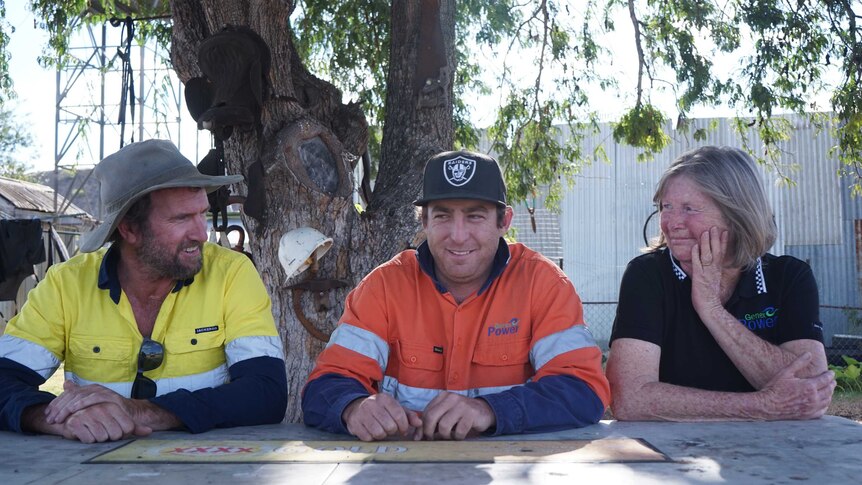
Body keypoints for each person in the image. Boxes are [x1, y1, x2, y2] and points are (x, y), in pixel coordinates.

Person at [302, 149, 610, 441]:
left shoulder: (544, 285)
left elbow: (584, 389)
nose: (458, 235)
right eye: (443, 216)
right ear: (424, 221)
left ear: (504, 221)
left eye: (475, 216)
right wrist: (353, 407)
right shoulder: (383, 286)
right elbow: (324, 386)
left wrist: (489, 410)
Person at [0, 139, 287, 443]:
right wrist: (57, 418)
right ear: (129, 230)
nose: (201, 234)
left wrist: (138, 411)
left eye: (201, 213)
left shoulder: (231, 274)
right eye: (181, 219)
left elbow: (266, 392)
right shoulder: (66, 285)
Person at [606, 146, 835, 421]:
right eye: (667, 207)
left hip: (779, 453)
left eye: (689, 209)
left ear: (736, 214)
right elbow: (628, 400)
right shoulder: (648, 275)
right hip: (672, 454)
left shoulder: (788, 276)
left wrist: (713, 311)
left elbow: (811, 388)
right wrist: (760, 406)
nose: (672, 223)